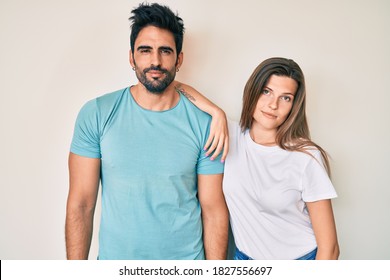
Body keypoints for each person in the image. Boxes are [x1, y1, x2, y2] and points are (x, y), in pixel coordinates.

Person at [65, 3, 228, 260]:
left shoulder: (207, 124)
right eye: (145, 50)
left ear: (179, 59)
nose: (155, 61)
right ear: (131, 57)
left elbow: (213, 210)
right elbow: (81, 204)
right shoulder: (96, 113)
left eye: (165, 51)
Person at [175, 57, 340, 260]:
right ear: (253, 91)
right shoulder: (228, 134)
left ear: (294, 106)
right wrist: (217, 112)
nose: (273, 105)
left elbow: (330, 248)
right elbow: (177, 86)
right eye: (266, 91)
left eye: (286, 98)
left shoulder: (306, 156)